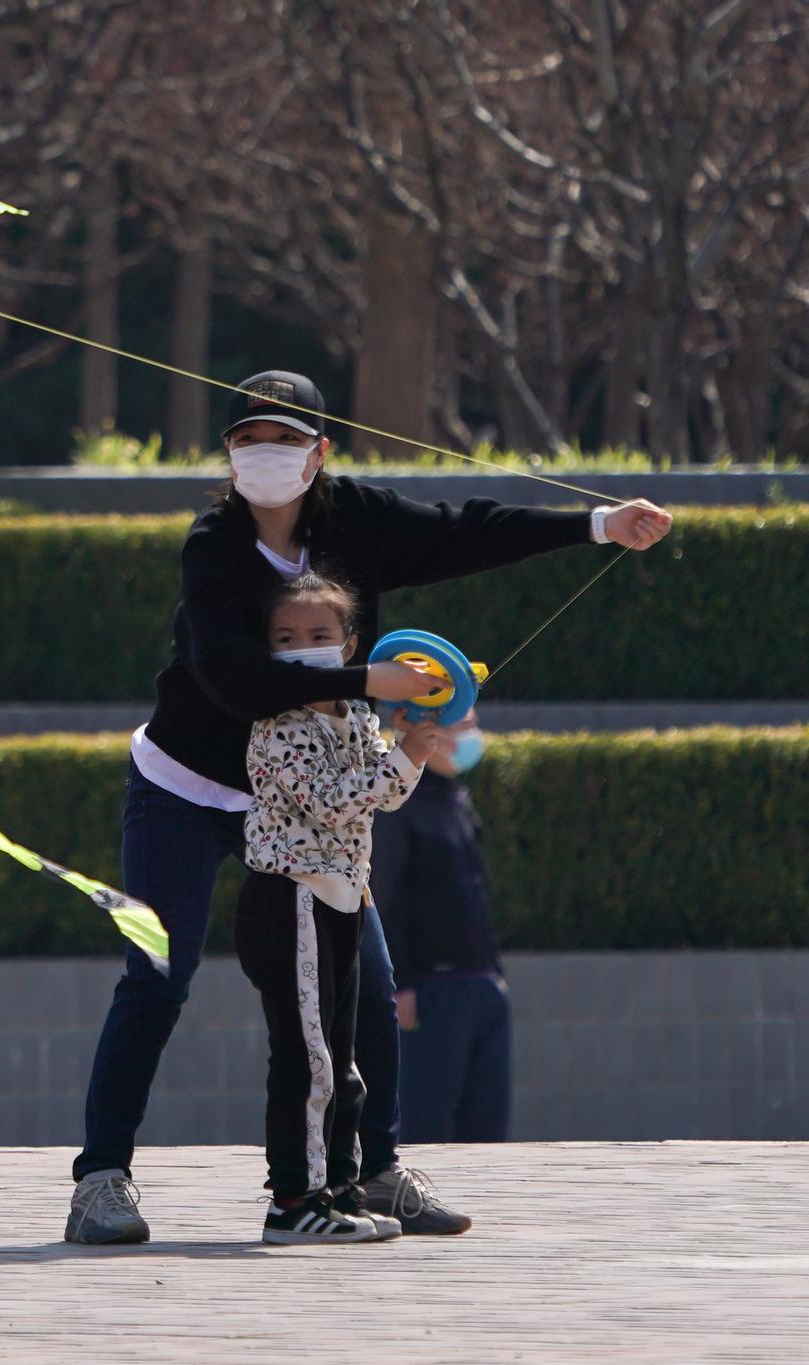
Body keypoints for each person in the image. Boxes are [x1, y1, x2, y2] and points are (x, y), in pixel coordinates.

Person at [64, 370, 672, 1245]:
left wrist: (596, 524)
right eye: (247, 440)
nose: (264, 455)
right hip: (187, 790)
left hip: (311, 804)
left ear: (320, 450)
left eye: (283, 439)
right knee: (160, 976)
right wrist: (367, 681)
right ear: (229, 456)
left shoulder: (357, 521)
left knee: (371, 983)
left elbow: (468, 530)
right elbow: (231, 678)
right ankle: (102, 1179)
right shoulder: (214, 548)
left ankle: (375, 1169)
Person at [237, 571, 441, 1243]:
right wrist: (405, 759)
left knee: (342, 1055)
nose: (305, 646)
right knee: (307, 1058)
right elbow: (333, 799)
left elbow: (378, 786)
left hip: (343, 898)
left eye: (320, 634)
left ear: (352, 645)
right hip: (289, 895)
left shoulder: (357, 714)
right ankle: (292, 1201)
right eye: (287, 637)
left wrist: (406, 741)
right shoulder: (276, 723)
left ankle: (340, 1187)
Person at [372, 711, 512, 1144]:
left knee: (487, 1122)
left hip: (482, 982)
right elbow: (384, 896)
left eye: (472, 724)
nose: (471, 736)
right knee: (427, 1121)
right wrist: (400, 983)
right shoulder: (398, 803)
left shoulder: (456, 799)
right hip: (430, 988)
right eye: (460, 726)